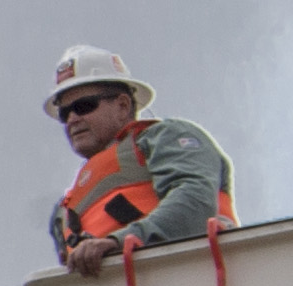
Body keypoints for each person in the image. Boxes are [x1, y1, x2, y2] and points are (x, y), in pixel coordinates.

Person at [44, 45, 232, 272]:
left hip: (192, 277)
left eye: (84, 106)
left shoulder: (163, 138)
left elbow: (195, 199)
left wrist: (120, 241)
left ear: (123, 105)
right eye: (65, 113)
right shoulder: (64, 212)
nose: (72, 119)